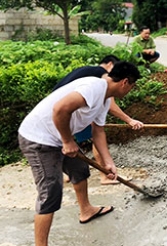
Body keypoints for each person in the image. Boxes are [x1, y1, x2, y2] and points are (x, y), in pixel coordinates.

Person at [18, 61, 141, 246]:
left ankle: (86, 210)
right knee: (50, 192)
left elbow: (98, 131)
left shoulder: (105, 99)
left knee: (80, 170)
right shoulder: (94, 87)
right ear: (125, 82)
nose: (131, 90)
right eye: (132, 86)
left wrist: (108, 162)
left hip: (57, 137)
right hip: (39, 139)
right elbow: (60, 109)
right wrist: (68, 141)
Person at [54, 55, 144, 185]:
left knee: (86, 140)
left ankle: (70, 173)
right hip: (63, 112)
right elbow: (110, 104)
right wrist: (129, 120)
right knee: (80, 137)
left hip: (69, 110)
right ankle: (104, 176)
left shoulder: (91, 72)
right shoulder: (100, 77)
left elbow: (100, 125)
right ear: (110, 64)